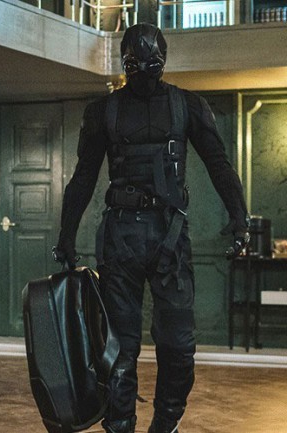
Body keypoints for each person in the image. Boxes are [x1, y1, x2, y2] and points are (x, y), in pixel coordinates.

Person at [53, 23, 249, 433]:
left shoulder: (187, 105)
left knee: (178, 347)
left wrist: (239, 216)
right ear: (123, 63)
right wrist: (66, 236)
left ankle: (165, 423)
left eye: (152, 63)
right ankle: (120, 424)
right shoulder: (103, 111)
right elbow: (83, 177)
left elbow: (218, 162)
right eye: (134, 63)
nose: (143, 70)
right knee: (118, 349)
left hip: (169, 236)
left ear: (164, 61)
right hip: (121, 237)